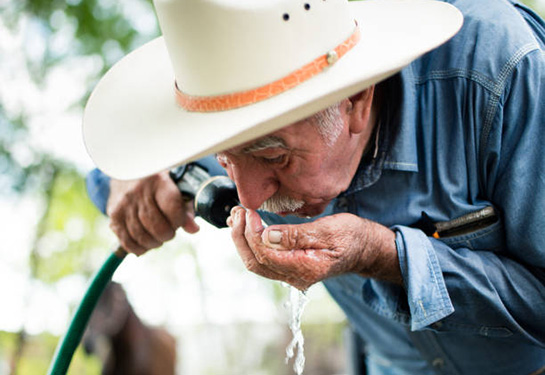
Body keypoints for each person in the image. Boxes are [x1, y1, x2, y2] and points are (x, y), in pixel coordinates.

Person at [84, 0, 545, 373]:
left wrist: (383, 254)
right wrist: (133, 182)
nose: (248, 198)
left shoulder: (501, 73)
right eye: (224, 157)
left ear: (357, 100)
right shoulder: (236, 106)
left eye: (273, 157)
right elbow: (110, 177)